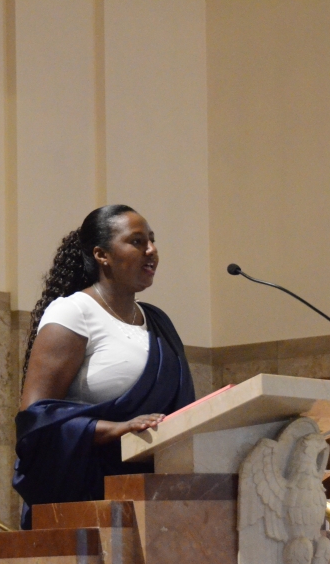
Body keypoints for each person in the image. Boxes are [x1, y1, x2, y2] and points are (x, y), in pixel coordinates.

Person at [12, 205, 195, 530]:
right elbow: (36, 423)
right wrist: (118, 428)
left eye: (152, 241)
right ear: (101, 254)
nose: (151, 251)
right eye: (137, 241)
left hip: (155, 502)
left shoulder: (159, 322)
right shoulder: (74, 312)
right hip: (86, 500)